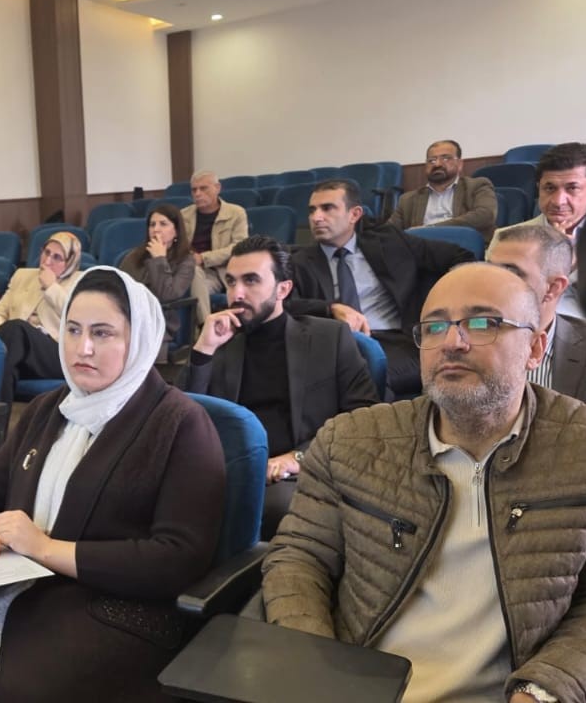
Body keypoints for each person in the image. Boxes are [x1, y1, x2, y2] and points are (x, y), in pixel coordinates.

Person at [263, 263, 586, 703]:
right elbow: (299, 559)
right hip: (356, 684)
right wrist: (315, 671)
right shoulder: (349, 440)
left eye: (483, 323)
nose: (452, 342)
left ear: (535, 348)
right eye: (435, 326)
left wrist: (543, 690)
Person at [0, 268, 227, 702]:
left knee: (11, 693)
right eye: (73, 330)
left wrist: (45, 548)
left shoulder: (180, 424)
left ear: (137, 339)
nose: (83, 348)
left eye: (102, 333)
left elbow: (179, 558)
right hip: (24, 582)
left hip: (121, 605)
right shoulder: (49, 409)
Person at [185, 236, 379, 537]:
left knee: (275, 509)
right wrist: (203, 351)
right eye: (231, 282)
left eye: (251, 280)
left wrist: (297, 458)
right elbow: (184, 420)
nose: (236, 293)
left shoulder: (329, 338)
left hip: (298, 473)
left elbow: (364, 418)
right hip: (230, 471)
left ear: (283, 289)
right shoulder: (218, 341)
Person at [289, 179, 473, 396]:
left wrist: (447, 300)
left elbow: (460, 256)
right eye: (312, 210)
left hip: (398, 342)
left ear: (354, 214)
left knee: (361, 377)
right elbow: (285, 305)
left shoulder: (390, 242)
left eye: (327, 208)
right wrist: (330, 308)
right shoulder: (300, 261)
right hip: (338, 345)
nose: (316, 217)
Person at [488, 225, 586, 404]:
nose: (489, 282)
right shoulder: (458, 337)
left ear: (553, 288)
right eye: (489, 270)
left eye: (511, 273)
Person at [491, 142, 586, 321]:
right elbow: (500, 300)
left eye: (572, 188)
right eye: (550, 188)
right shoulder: (506, 239)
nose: (558, 201)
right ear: (538, 187)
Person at [0, 232, 84, 401]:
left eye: (57, 257)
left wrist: (51, 286)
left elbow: (77, 318)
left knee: (15, 330)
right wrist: (0, 339)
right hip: (16, 346)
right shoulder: (22, 276)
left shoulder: (81, 282)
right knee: (8, 361)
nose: (47, 261)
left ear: (69, 262)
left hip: (56, 353)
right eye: (46, 252)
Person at [118, 203, 198, 355]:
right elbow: (119, 286)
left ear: (176, 231)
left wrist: (159, 259)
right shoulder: (134, 256)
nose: (156, 229)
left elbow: (167, 295)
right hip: (130, 316)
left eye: (163, 224)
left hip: (159, 320)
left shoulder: (186, 260)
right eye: (152, 224)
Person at [388, 140, 497, 240]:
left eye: (445, 158)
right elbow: (389, 230)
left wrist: (431, 229)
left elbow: (485, 216)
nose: (437, 164)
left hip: (463, 245)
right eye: (432, 160)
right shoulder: (407, 199)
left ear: (460, 164)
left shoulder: (477, 186)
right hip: (422, 248)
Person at [180, 170, 249, 295]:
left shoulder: (236, 213)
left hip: (217, 271)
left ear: (217, 188)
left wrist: (203, 258)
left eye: (203, 188)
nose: (197, 194)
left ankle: (203, 310)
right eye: (194, 190)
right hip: (185, 269)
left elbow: (239, 247)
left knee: (196, 288)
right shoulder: (183, 215)